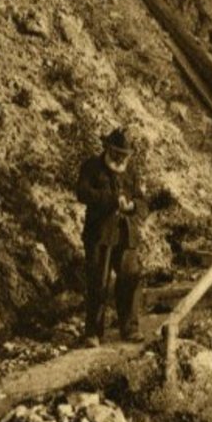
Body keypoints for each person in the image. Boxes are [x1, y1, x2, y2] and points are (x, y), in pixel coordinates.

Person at [77, 128, 148, 347]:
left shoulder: (132, 172)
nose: (120, 158)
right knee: (98, 281)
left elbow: (144, 203)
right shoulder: (92, 167)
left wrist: (133, 205)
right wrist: (110, 200)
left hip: (126, 235)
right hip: (99, 233)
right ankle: (93, 332)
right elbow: (82, 193)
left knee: (131, 276)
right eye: (117, 153)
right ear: (108, 148)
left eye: (124, 155)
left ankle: (129, 328)